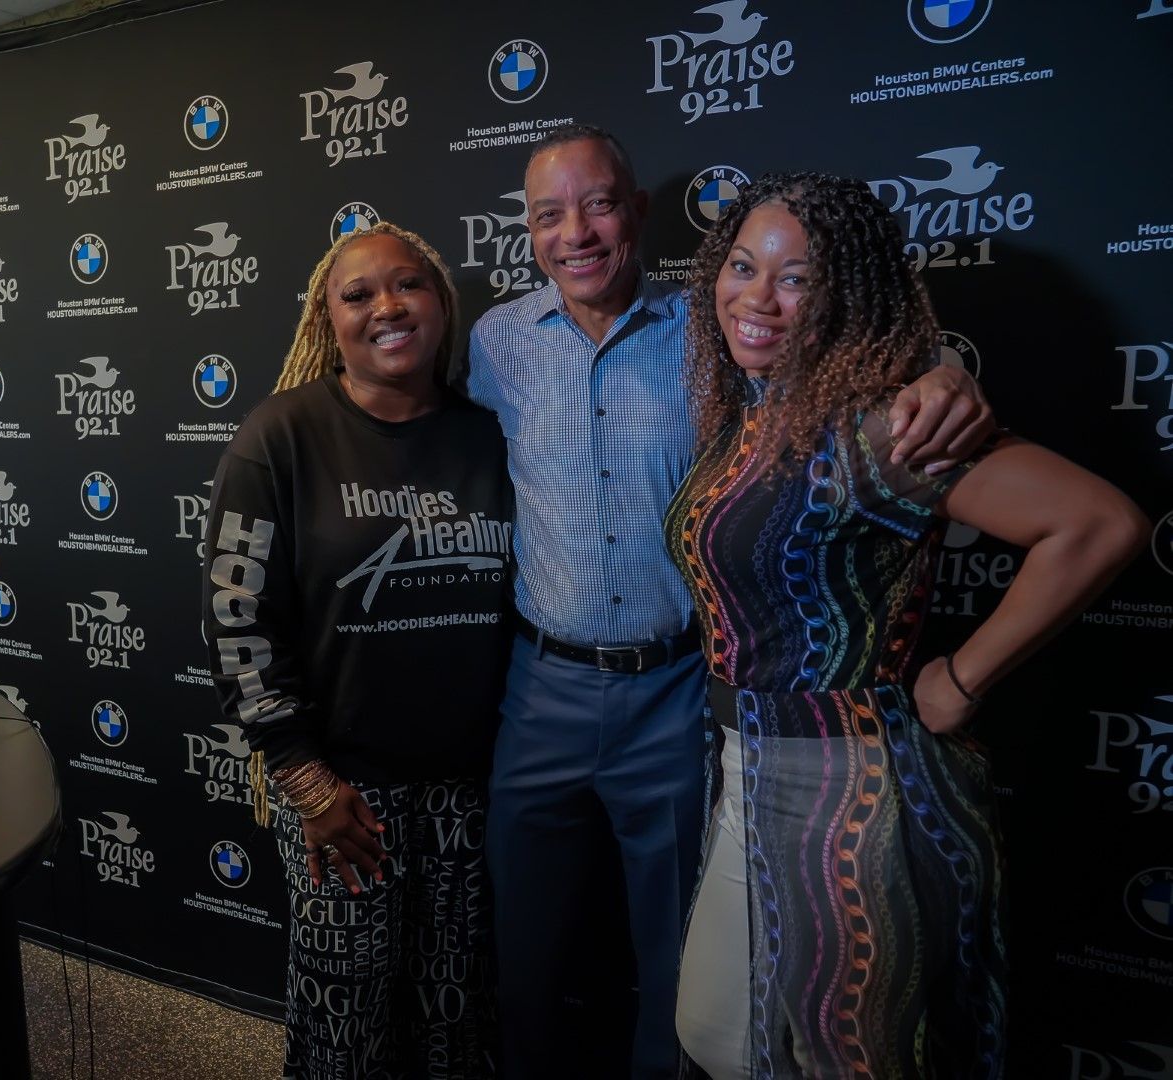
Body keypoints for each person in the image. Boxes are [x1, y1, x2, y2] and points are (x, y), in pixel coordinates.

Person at [465, 125, 995, 1079]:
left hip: (678, 695)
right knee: (527, 956)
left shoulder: (710, 334)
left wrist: (943, 375)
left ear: (636, 211)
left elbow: (846, 353)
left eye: (597, 205)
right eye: (549, 213)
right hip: (539, 690)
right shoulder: (494, 343)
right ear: (528, 229)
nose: (575, 232)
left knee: (686, 976)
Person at [666, 171, 1147, 1078]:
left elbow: (1097, 525)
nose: (756, 298)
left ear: (845, 295)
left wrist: (959, 682)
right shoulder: (750, 411)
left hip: (848, 796)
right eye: (740, 266)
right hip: (747, 770)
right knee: (722, 1037)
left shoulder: (877, 427)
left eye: (795, 277)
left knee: (839, 1048)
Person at [202, 223, 513, 1079]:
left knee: (456, 1021)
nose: (387, 307)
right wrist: (306, 782)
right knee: (345, 1026)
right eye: (357, 294)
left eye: (408, 285)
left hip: (475, 790)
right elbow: (236, 620)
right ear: (324, 319)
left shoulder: (492, 432)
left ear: (442, 303)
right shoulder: (280, 435)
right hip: (345, 794)